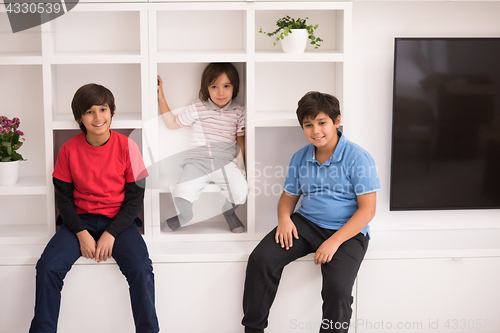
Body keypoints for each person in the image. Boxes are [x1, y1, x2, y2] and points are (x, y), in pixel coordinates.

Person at [242, 91, 381, 333]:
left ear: (337, 121)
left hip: (347, 232)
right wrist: (284, 219)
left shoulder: (358, 158)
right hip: (306, 223)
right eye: (308, 125)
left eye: (322, 122)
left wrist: (333, 242)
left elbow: (368, 210)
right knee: (260, 259)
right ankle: (253, 329)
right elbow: (288, 197)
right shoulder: (300, 157)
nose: (315, 131)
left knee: (337, 291)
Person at [29, 84, 160, 333]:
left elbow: (135, 198)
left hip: (119, 223)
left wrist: (110, 233)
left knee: (142, 270)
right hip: (79, 221)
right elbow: (64, 199)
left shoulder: (128, 147)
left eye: (103, 109)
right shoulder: (68, 150)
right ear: (79, 117)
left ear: (112, 112)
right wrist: (81, 233)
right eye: (89, 111)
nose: (98, 117)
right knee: (47, 268)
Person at [157, 62, 248, 233]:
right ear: (207, 88)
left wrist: (240, 167)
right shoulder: (198, 108)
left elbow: (240, 142)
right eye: (214, 86)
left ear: (234, 87)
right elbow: (172, 124)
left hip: (226, 163)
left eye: (226, 86)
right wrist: (161, 97)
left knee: (241, 190)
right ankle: (184, 217)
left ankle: (229, 213)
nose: (221, 92)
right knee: (181, 191)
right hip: (197, 163)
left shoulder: (239, 112)